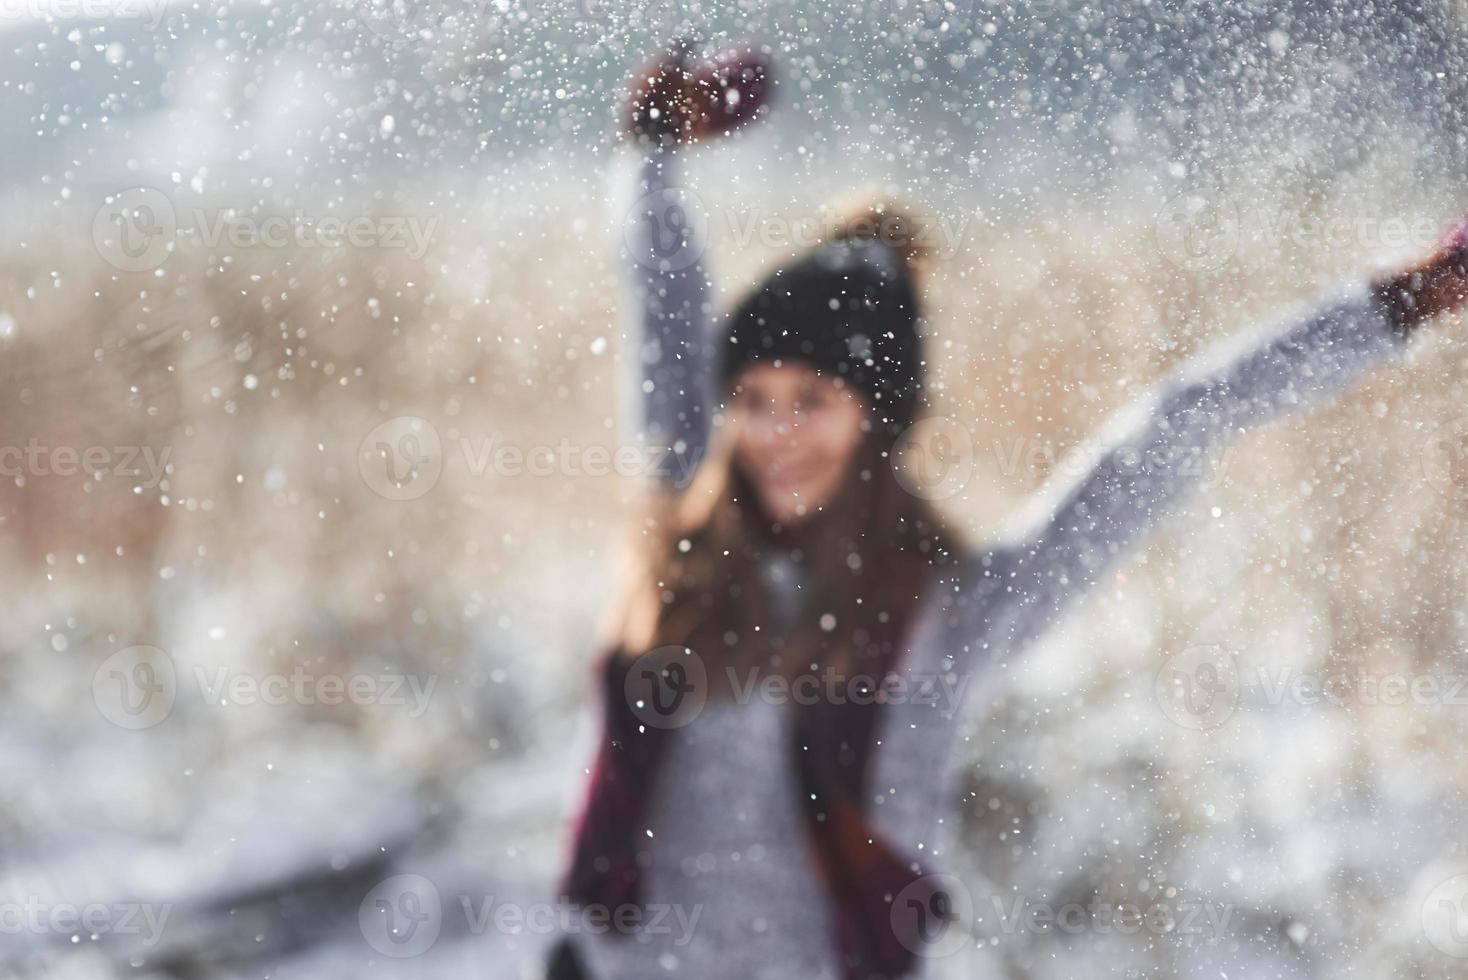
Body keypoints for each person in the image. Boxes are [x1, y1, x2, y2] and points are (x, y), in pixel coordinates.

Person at [545, 39, 1468, 980]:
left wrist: (1405, 304)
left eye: (813, 402)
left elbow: (1174, 429)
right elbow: (663, 306)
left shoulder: (949, 614)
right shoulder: (679, 540)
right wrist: (650, 151)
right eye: (753, 400)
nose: (776, 435)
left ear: (877, 425)